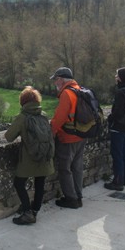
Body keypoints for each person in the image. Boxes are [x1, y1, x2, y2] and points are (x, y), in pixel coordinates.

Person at [4, 86, 55, 225]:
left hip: (29, 158)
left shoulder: (22, 117)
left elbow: (8, 137)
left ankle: (27, 212)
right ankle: (35, 210)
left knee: (19, 183)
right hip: (45, 156)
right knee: (40, 182)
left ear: (23, 101)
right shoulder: (43, 115)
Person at [49, 67, 87, 209]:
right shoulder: (79, 89)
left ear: (61, 79)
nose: (55, 83)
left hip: (67, 137)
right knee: (77, 167)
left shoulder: (66, 93)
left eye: (56, 79)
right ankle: (78, 195)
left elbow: (60, 118)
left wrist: (51, 132)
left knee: (65, 169)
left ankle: (71, 199)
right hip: (81, 135)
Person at [105, 67, 125, 191]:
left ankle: (118, 182)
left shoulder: (121, 91)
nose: (115, 77)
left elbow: (117, 112)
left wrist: (110, 118)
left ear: (122, 77)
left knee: (117, 154)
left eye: (117, 75)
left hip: (118, 127)